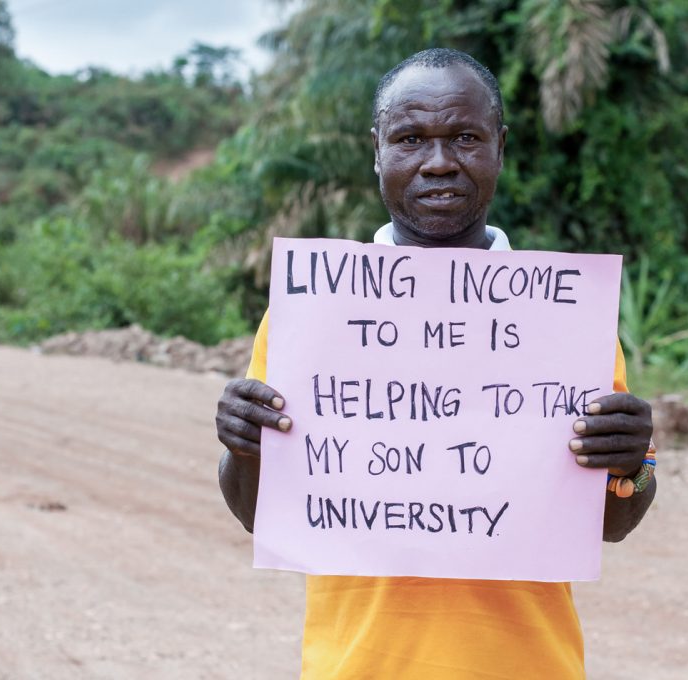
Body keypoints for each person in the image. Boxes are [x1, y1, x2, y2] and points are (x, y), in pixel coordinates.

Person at [216, 48, 656, 679]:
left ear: (499, 147)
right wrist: (242, 446)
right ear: (377, 150)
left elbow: (612, 522)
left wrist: (632, 464)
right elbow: (259, 511)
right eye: (411, 138)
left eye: (466, 138)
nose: (439, 162)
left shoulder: (565, 324)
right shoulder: (311, 316)